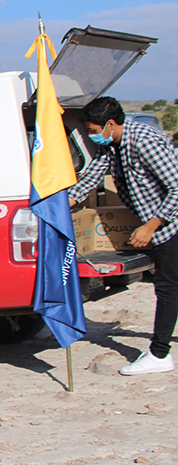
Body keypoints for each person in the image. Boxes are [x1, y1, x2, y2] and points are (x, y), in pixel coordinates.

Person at [69, 97, 178, 375]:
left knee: (167, 288)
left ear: (111, 124)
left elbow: (177, 188)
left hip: (170, 224)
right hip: (162, 224)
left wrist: (150, 226)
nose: (94, 136)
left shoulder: (145, 141)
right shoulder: (113, 147)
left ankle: (159, 354)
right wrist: (61, 204)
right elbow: (90, 179)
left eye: (94, 130)